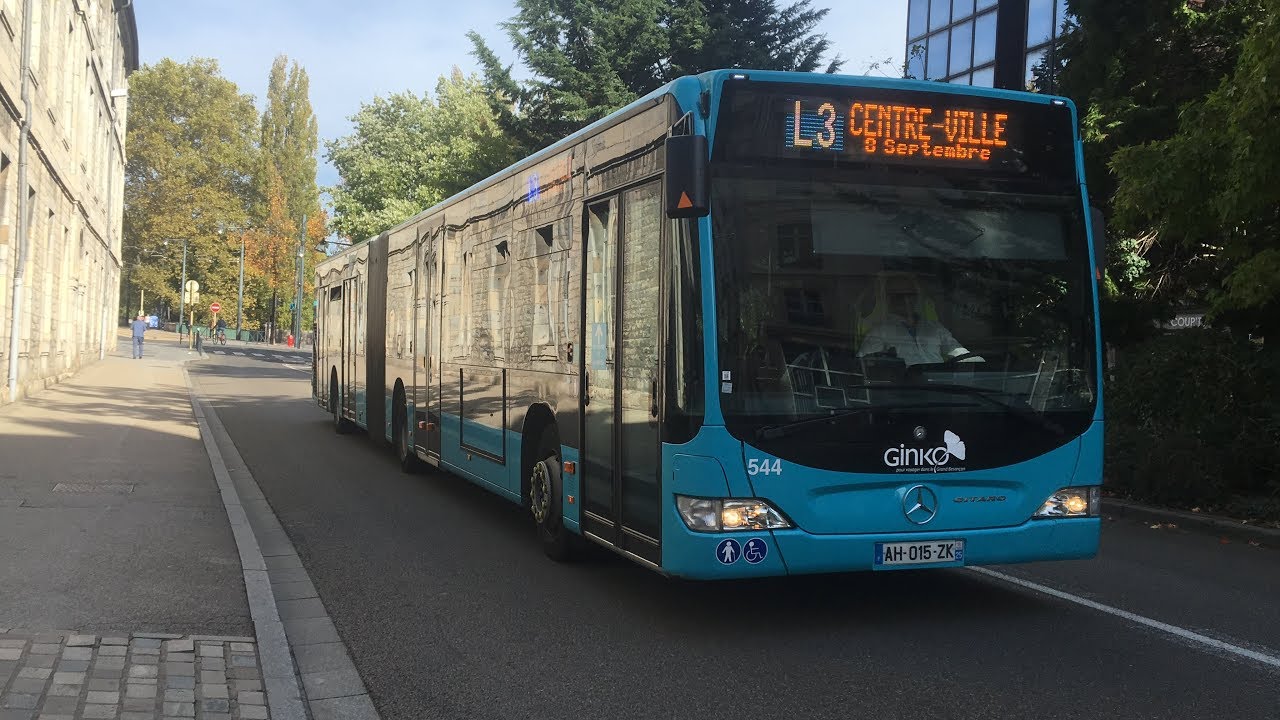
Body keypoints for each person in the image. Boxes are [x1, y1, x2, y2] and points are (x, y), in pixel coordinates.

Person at [856, 275, 981, 366]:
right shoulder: (879, 332)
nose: (906, 300)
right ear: (889, 299)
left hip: (941, 389)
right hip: (903, 393)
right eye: (898, 296)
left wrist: (978, 363)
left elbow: (958, 352)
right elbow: (865, 364)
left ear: (916, 296)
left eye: (909, 295)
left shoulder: (934, 328)